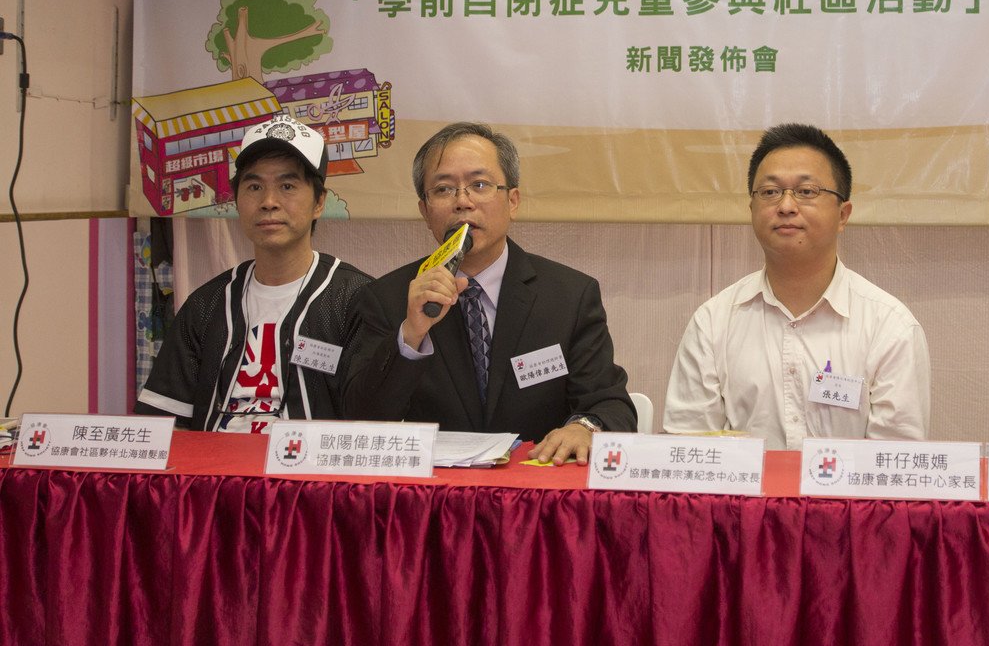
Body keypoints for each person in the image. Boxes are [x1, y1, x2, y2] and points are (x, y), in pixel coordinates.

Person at [342, 122, 635, 464]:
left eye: (479, 185)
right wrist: (410, 336)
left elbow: (611, 404)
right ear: (425, 211)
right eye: (443, 189)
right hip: (435, 491)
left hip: (536, 485)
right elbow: (360, 420)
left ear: (513, 201)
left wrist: (585, 427)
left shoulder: (569, 296)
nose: (462, 202)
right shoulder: (388, 298)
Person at [663, 123, 930, 449]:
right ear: (752, 209)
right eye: (770, 192)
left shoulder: (890, 327)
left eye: (806, 192)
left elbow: (894, 460)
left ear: (843, 215)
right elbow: (688, 452)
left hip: (846, 485)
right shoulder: (712, 322)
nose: (786, 206)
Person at [136, 114, 371, 432]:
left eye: (287, 186)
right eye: (254, 186)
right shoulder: (206, 305)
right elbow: (163, 427)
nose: (268, 202)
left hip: (310, 464)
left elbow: (375, 421)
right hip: (216, 463)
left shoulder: (357, 301)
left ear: (319, 202)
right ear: (236, 200)